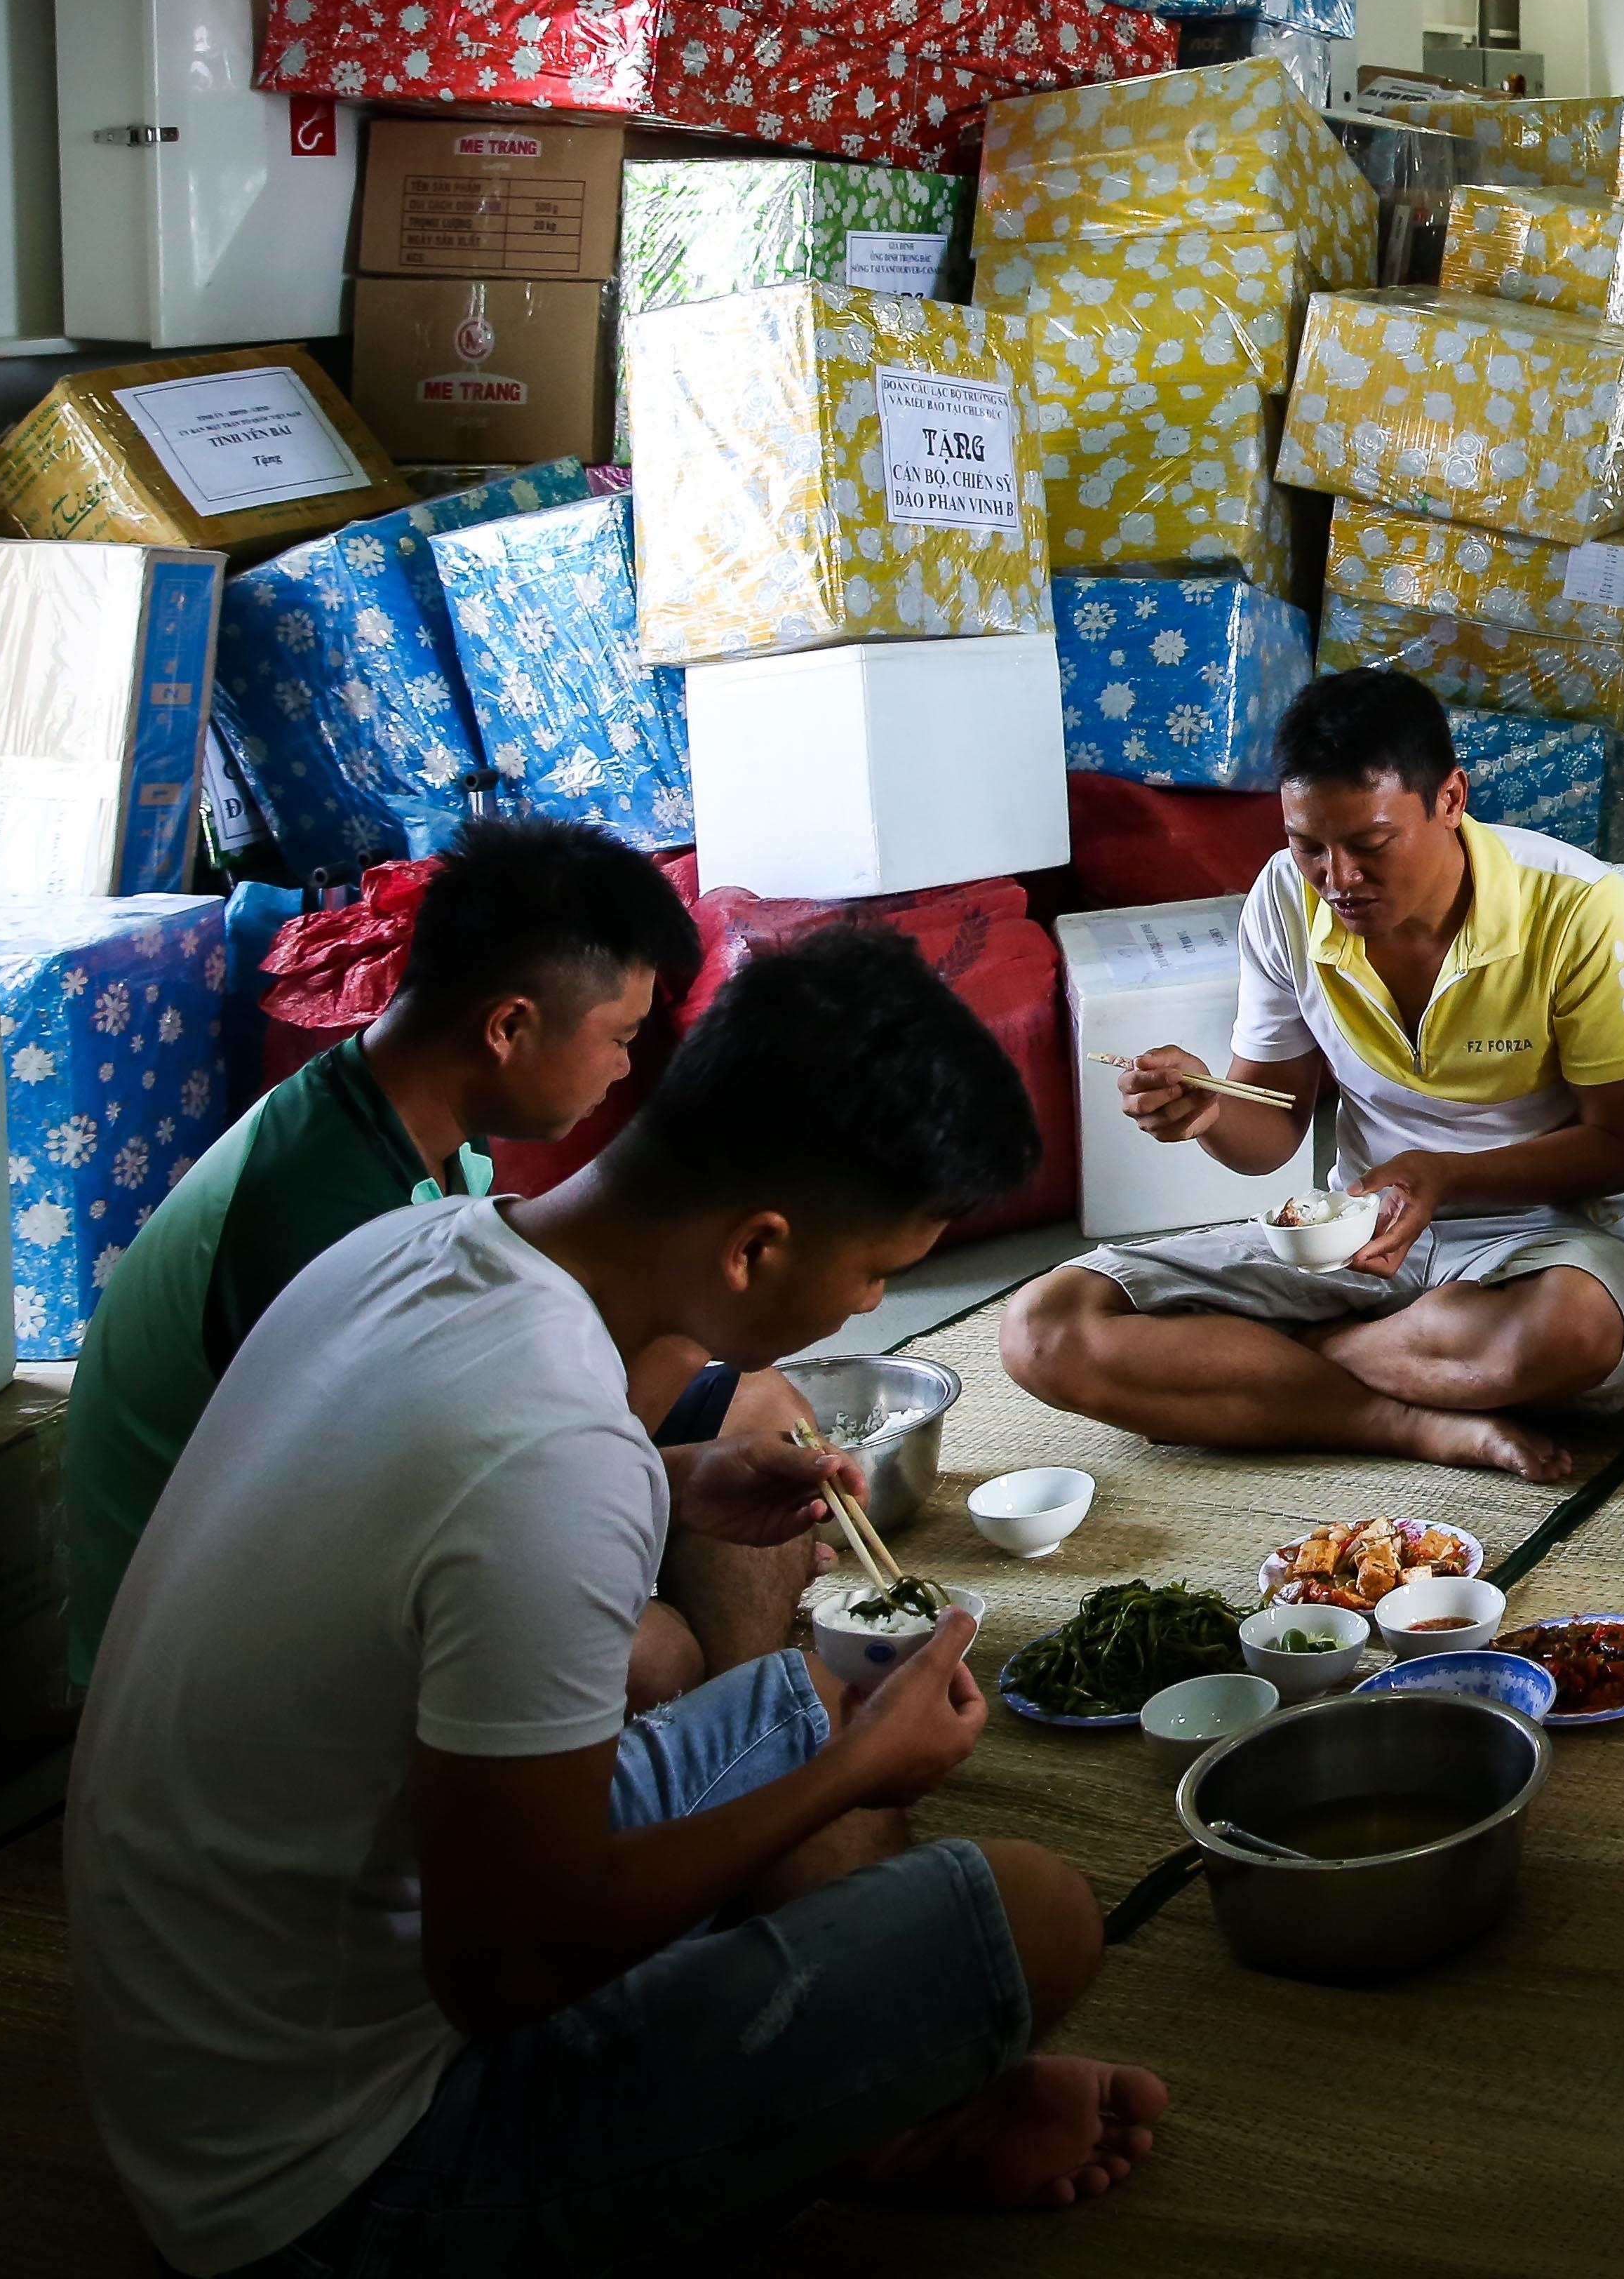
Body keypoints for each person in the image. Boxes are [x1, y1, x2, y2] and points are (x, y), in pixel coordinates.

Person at [68, 927, 1165, 2277]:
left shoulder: (418, 1247)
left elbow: (440, 1527)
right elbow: (506, 1972)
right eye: (879, 1270)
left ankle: (852, 2086)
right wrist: (857, 1779)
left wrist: (674, 1481)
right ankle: (862, 2111)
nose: (875, 1301)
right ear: (758, 1249)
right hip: (333, 2182)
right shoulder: (550, 1462)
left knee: (806, 1703)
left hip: (220, 2042)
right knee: (1029, 1912)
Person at [59, 817, 799, 1707]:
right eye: (620, 1036)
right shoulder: (315, 1206)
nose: (623, 1066)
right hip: (206, 1635)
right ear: (509, 1028)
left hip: (358, 1495)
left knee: (763, 1415)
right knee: (651, 1657)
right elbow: (403, 1500)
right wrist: (675, 1399)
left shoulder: (418, 1112)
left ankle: (739, 1733)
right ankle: (712, 1748)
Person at [1001, 670, 1624, 1483]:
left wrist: (1441, 1179)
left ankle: (1278, 1367)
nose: (1337, 878)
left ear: (1451, 798)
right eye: (1307, 843)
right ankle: (1409, 1418)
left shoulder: (1581, 908)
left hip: (1531, 1246)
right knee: (1045, 1327)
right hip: (1349, 1238)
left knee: (1571, 1332)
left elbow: (1621, 1148)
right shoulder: (1284, 900)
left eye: (1370, 844)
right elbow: (1273, 1132)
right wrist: (1210, 1109)